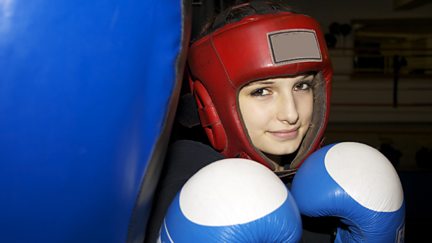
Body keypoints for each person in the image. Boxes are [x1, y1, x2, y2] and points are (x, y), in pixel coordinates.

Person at [145, 1, 333, 242]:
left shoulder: (325, 179)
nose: (291, 113)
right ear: (212, 104)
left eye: (301, 86)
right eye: (262, 91)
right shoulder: (188, 182)